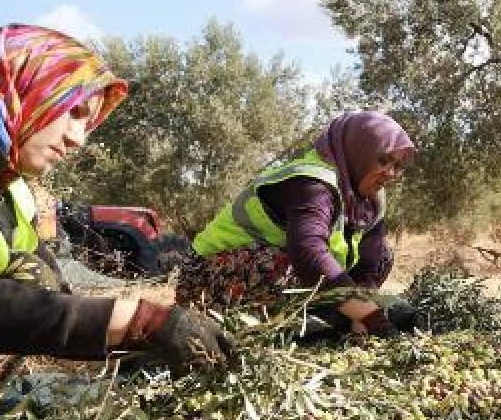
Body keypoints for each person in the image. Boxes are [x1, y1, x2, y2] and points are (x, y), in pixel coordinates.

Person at [0, 24, 233, 392]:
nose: (78, 139)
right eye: (74, 112)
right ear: (23, 88)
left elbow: (51, 298)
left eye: (87, 123)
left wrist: (135, 344)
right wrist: (140, 321)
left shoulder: (11, 192)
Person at [177, 110, 420, 338]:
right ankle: (271, 324)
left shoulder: (370, 199)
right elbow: (309, 253)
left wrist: (363, 316)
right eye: (383, 161)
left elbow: (369, 262)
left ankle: (328, 318)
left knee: (383, 256)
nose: (391, 173)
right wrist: (372, 318)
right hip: (207, 276)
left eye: (398, 166)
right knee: (283, 266)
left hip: (274, 278)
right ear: (359, 151)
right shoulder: (312, 183)